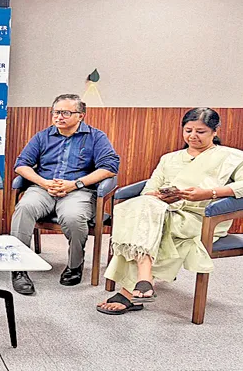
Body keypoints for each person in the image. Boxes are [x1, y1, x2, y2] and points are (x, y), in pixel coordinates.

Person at [97, 108, 243, 315]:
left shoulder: (232, 157)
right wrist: (161, 196)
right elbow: (148, 190)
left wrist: (209, 193)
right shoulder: (169, 158)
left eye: (200, 131)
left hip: (201, 217)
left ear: (215, 131)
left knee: (142, 224)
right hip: (162, 211)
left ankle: (132, 288)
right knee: (138, 208)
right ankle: (143, 280)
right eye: (188, 130)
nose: (193, 136)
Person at [10, 94, 120, 295]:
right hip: (44, 188)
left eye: (66, 113)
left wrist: (75, 184)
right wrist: (43, 182)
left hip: (77, 190)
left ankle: (74, 265)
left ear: (80, 116)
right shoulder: (42, 136)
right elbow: (21, 164)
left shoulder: (96, 137)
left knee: (73, 216)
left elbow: (110, 167)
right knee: (24, 208)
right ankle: (19, 268)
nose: (59, 117)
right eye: (56, 112)